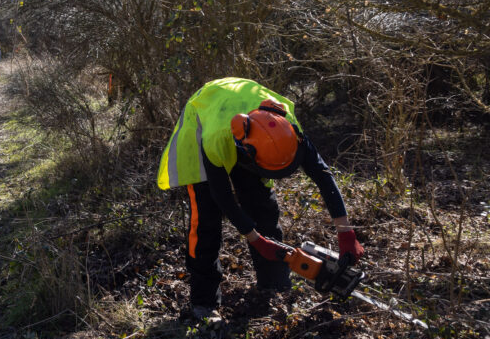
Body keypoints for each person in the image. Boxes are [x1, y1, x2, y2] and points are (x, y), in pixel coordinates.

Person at [156, 77, 365, 324]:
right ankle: (204, 302)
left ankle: (274, 285)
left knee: (262, 206)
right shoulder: (215, 139)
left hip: (248, 130)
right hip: (204, 123)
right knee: (206, 221)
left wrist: (345, 232)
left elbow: (322, 174)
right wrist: (255, 239)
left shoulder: (287, 125)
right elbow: (222, 196)